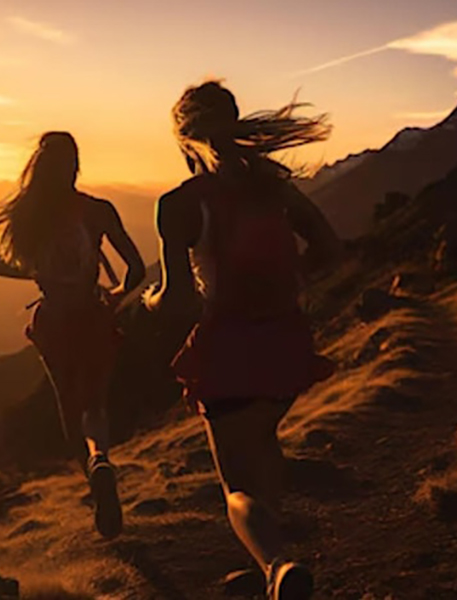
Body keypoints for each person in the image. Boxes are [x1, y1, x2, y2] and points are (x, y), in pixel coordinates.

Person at [144, 81, 340, 599]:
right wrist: (294, 279)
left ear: (185, 140)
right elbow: (327, 244)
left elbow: (180, 301)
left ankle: (277, 565)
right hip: (287, 339)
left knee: (237, 485)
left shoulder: (180, 204)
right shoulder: (273, 188)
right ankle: (267, 562)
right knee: (263, 439)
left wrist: (148, 303)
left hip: (228, 346)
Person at [0, 131, 145, 540]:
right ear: (76, 165)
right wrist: (116, 297)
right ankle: (100, 458)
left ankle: (95, 484)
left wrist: (39, 272)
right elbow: (135, 269)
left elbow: (1, 267)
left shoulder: (30, 213)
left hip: (52, 319)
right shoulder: (98, 210)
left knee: (68, 407)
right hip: (93, 314)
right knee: (95, 404)